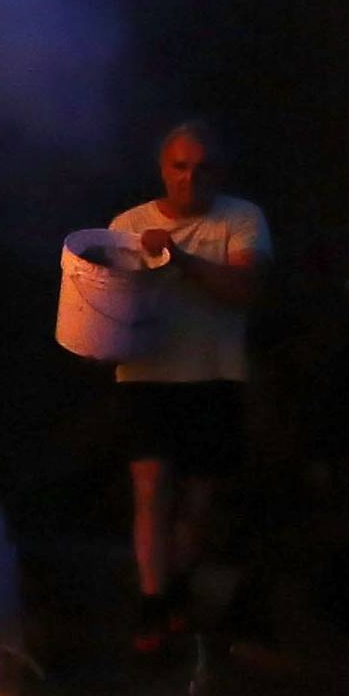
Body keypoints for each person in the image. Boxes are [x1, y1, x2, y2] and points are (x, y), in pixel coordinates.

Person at [110, 121, 270, 654]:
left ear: (217, 172)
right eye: (179, 167)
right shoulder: (128, 225)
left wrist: (179, 259)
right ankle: (151, 603)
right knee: (151, 489)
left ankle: (174, 589)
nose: (189, 178)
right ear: (164, 169)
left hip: (213, 375)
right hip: (146, 376)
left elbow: (244, 289)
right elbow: (104, 301)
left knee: (198, 503)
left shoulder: (241, 219)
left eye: (201, 168)